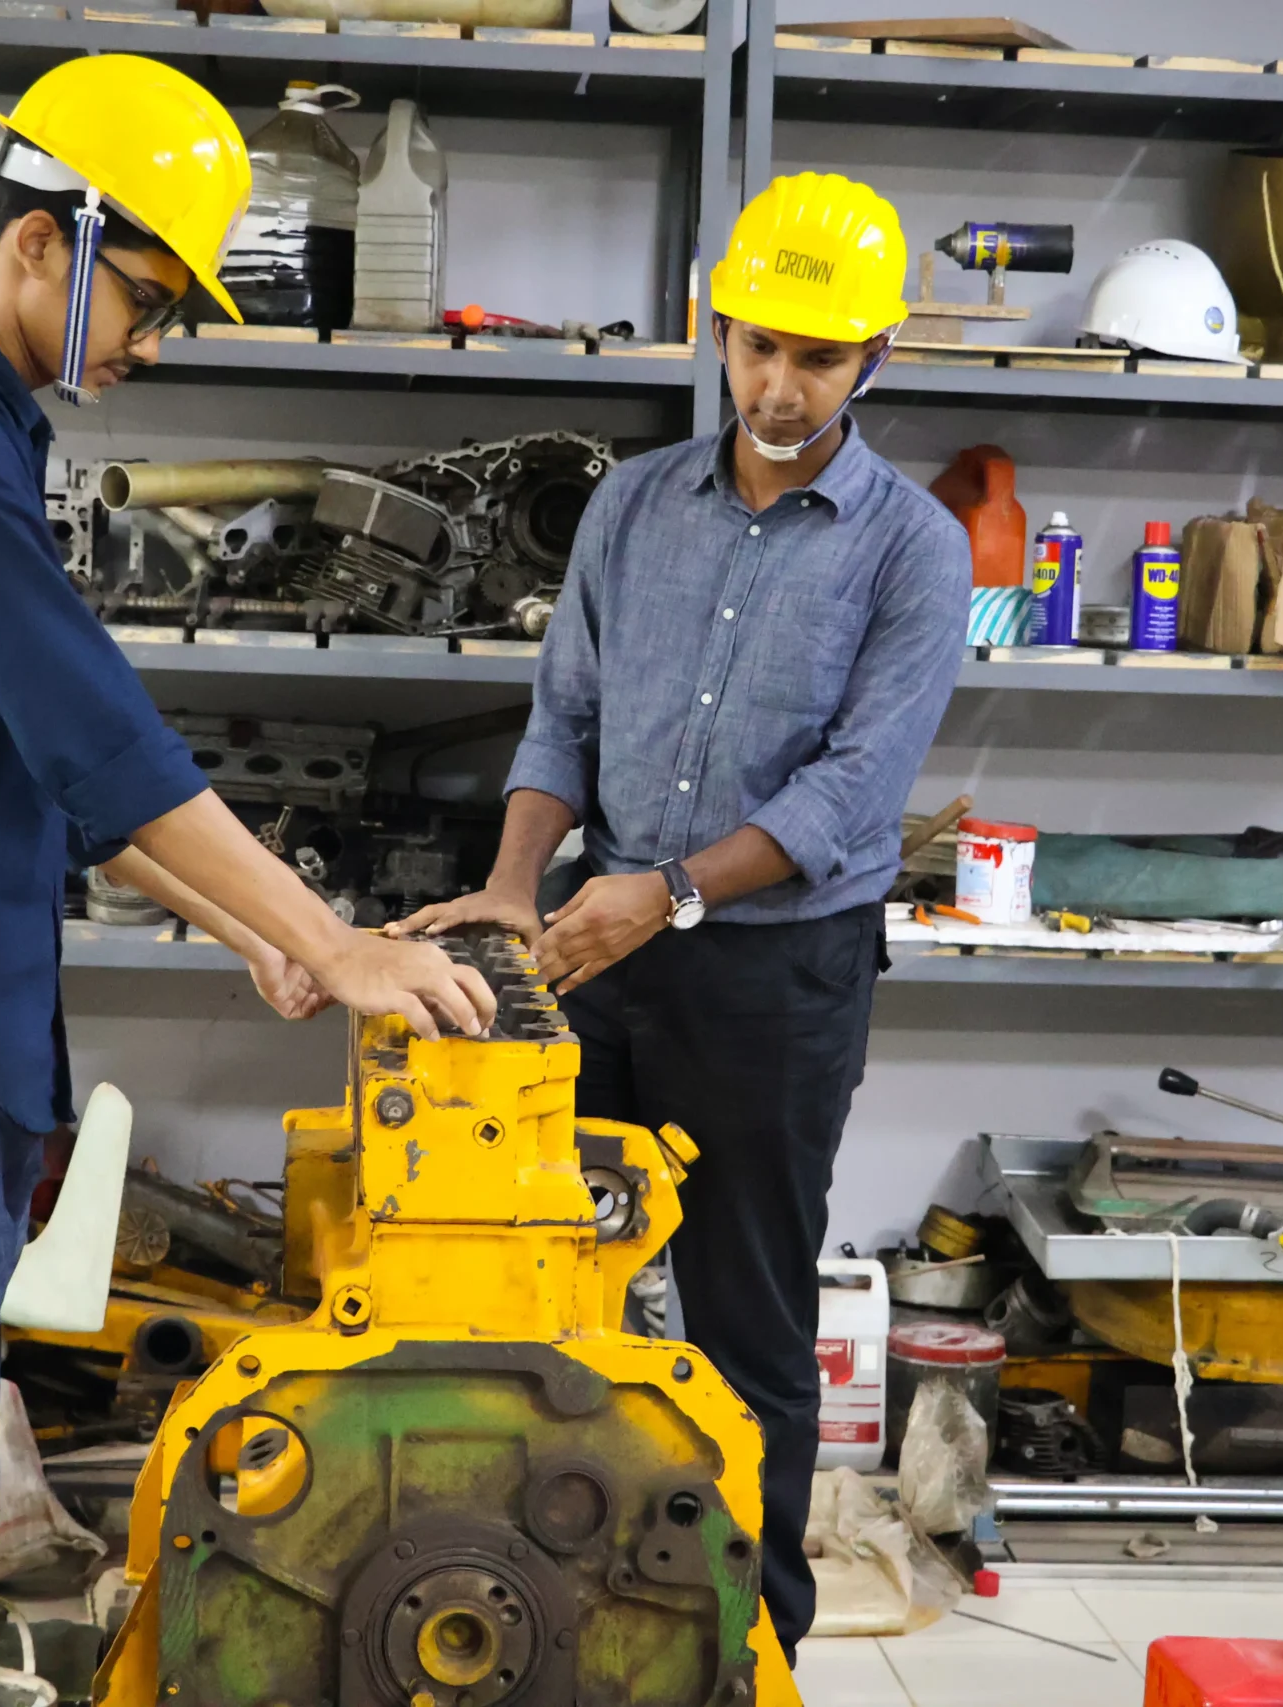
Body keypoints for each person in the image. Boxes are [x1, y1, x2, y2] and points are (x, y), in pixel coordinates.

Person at [0, 57, 494, 1705]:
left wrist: (260, 933)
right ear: (41, 239)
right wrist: (335, 944)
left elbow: (51, 773)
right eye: (146, 297)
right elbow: (91, 730)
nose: (151, 339)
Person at [391, 172, 965, 1660]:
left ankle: (751, 1644)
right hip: (596, 945)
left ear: (876, 357)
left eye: (818, 359)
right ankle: (550, 1621)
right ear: (718, 332)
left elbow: (855, 790)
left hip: (773, 977)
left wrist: (675, 891)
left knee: (743, 1316)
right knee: (538, 1287)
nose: (779, 388)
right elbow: (565, 715)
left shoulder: (913, 547)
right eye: (758, 347)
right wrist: (514, 885)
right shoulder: (635, 503)